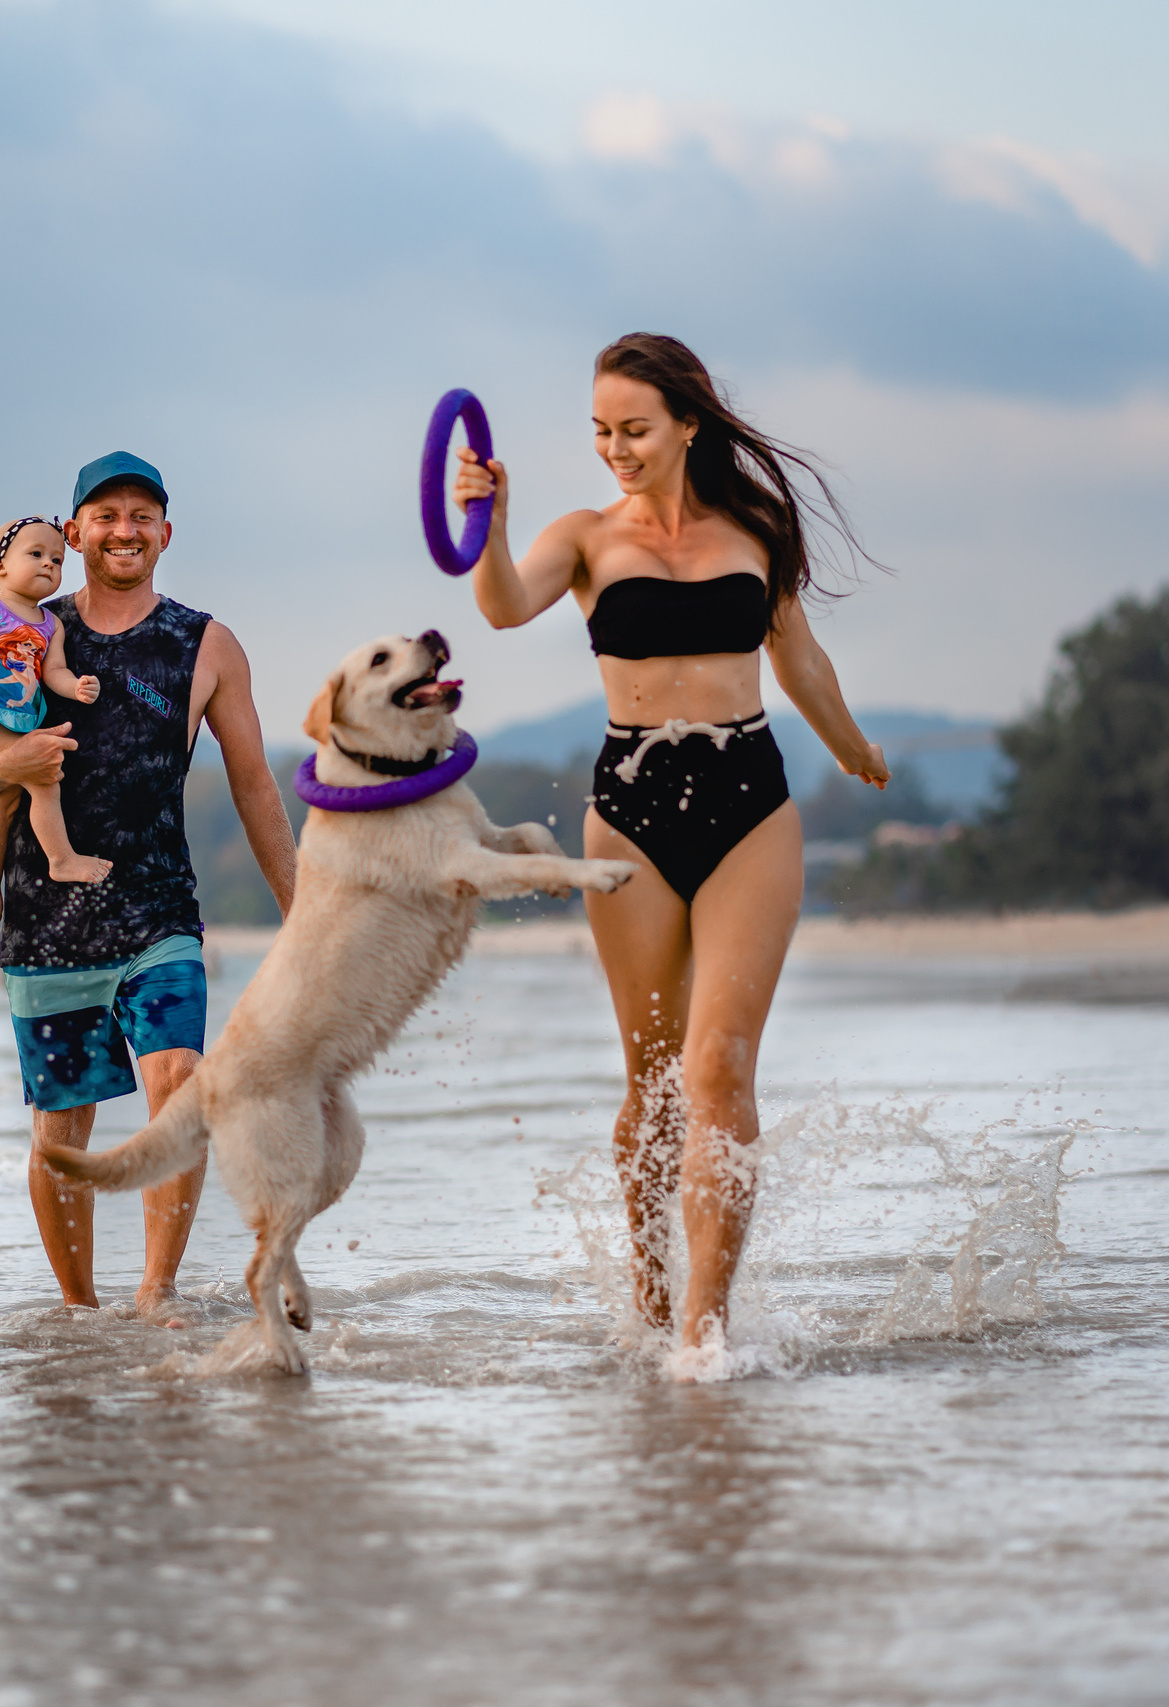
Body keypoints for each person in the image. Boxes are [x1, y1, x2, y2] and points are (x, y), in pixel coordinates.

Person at [451, 333, 889, 1361]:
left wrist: (857, 748)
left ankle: (705, 1322)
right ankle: (648, 1292)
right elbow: (506, 605)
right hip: (632, 812)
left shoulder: (756, 529)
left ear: (689, 424)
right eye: (600, 431)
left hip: (750, 801)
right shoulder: (586, 538)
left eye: (634, 428)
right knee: (651, 1080)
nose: (616, 448)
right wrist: (491, 523)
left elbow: (800, 660)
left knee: (718, 1068)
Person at [0, 452, 298, 1319]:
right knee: (62, 1131)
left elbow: (254, 784)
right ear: (74, 532)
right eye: (105, 515)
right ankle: (79, 1314)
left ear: (166, 534)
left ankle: (157, 1289)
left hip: (158, 909)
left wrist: (303, 908)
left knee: (177, 1080)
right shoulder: (23, 629)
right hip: (45, 919)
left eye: (142, 515)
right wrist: (12, 763)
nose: (124, 529)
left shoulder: (205, 642)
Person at [0, 516, 113, 924]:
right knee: (41, 778)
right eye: (36, 554)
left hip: (22, 721)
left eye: (57, 559)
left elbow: (53, 673)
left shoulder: (52, 625)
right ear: (1, 567)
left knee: (5, 805)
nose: (49, 564)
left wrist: (77, 687)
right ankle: (61, 858)